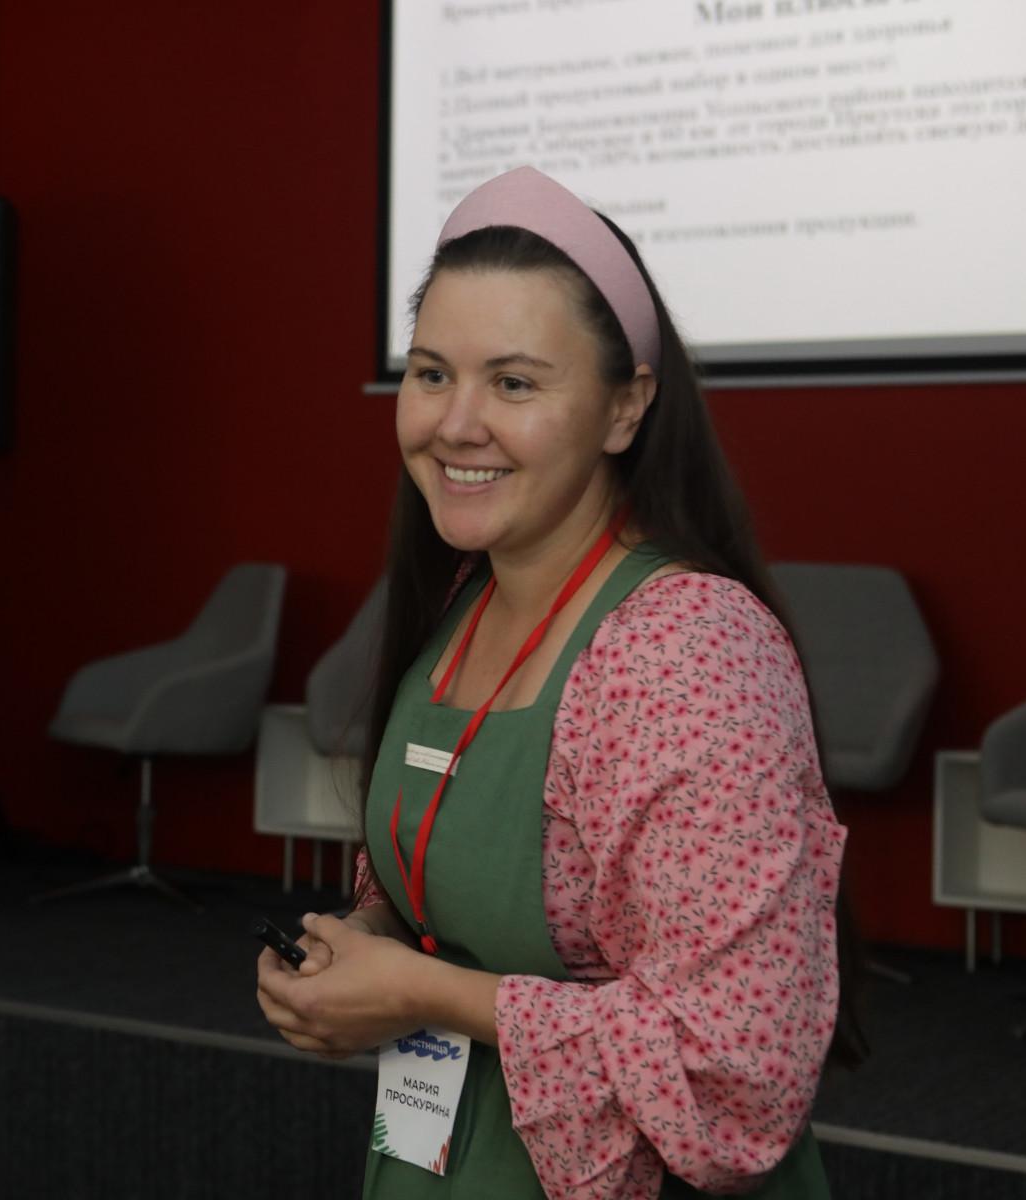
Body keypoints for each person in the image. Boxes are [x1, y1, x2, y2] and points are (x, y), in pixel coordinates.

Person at [255, 166, 857, 1198]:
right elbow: (434, 882)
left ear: (625, 409)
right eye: (432, 374)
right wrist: (366, 941)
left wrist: (428, 993)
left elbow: (736, 1074)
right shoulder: (458, 606)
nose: (456, 423)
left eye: (515, 384)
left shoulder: (684, 651)